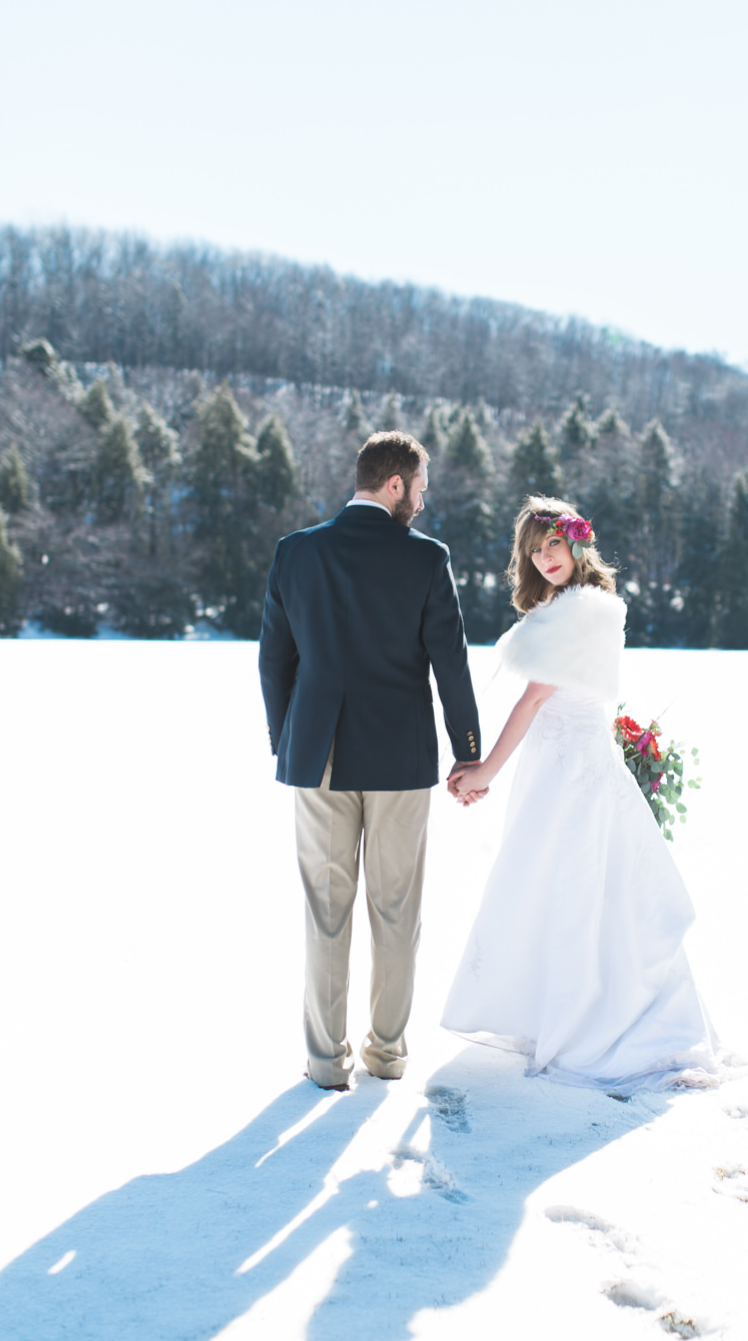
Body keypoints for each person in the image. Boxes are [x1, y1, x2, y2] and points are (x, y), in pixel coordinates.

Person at [442, 496, 727, 1092]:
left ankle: (583, 1023)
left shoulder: (581, 611)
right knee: (565, 882)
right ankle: (556, 1012)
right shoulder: (575, 607)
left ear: (576, 544)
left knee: (570, 883)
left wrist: (486, 770)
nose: (545, 558)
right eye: (534, 550)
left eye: (553, 544)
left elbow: (534, 698)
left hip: (572, 769)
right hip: (562, 762)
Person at [258, 430, 482, 1090]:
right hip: (399, 759)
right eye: (420, 485)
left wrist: (287, 740)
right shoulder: (426, 558)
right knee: (395, 911)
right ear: (394, 486)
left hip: (318, 755)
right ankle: (386, 1054)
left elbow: (274, 658)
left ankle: (326, 1062)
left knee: (325, 911)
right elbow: (452, 665)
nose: (423, 496)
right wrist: (468, 753)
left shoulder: (294, 552)